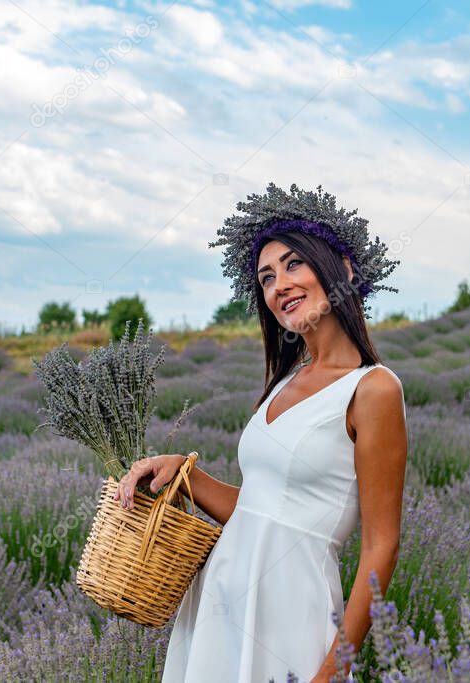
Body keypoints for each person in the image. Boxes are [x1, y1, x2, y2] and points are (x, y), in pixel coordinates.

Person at [113, 182, 408, 682]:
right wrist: (185, 474)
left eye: (294, 264)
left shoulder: (373, 390)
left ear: (344, 268)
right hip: (219, 604)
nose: (279, 285)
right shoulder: (285, 381)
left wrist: (335, 670)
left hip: (293, 612)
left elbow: (383, 545)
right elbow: (260, 509)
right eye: (266, 278)